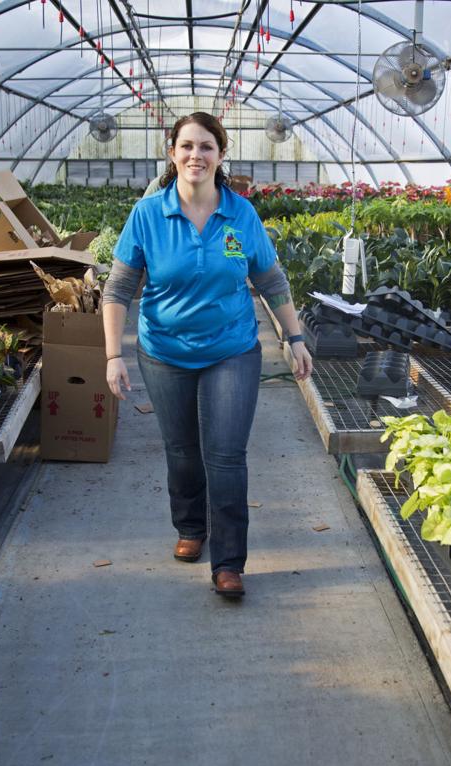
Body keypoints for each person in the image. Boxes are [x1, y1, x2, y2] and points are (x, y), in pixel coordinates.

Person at [101, 111, 313, 600]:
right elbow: (118, 290)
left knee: (226, 455)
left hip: (231, 349)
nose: (196, 156)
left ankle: (229, 561)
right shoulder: (148, 215)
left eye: (207, 147)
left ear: (221, 156)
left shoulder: (240, 216)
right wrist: (115, 355)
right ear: (172, 153)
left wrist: (295, 338)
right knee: (181, 451)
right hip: (164, 352)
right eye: (187, 147)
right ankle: (191, 527)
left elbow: (270, 279)